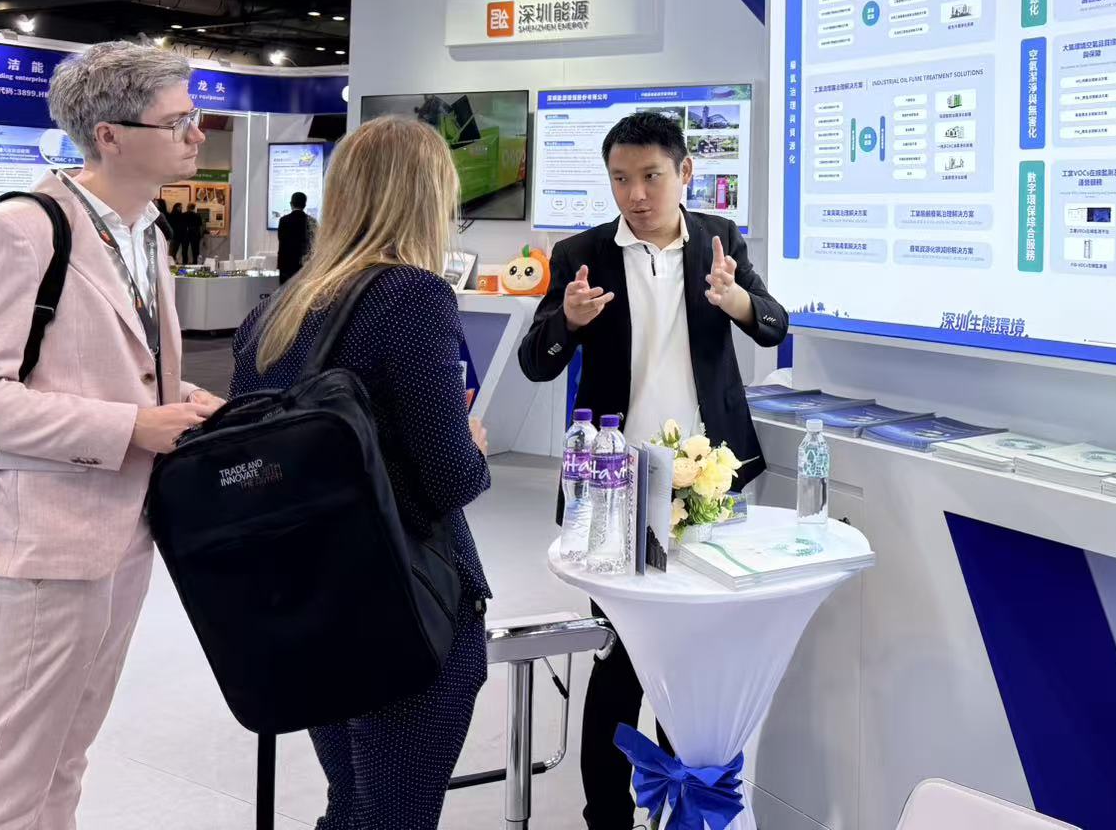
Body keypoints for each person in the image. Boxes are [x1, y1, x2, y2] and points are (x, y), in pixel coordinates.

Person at [517, 110, 788, 830]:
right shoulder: (581, 253)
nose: (635, 194)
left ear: (684, 173)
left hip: (708, 481)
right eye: (620, 179)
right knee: (620, 659)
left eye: (651, 176)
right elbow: (535, 362)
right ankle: (605, 815)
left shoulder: (719, 240)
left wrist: (735, 300)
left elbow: (774, 323)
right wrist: (569, 322)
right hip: (613, 487)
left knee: (694, 661)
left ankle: (683, 811)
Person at [0, 40, 225, 828]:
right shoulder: (24, 229)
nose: (197, 134)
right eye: (178, 121)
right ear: (110, 135)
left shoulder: (145, 232)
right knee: (11, 768)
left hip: (128, 530)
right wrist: (131, 426)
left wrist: (181, 398)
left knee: (67, 753)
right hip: (45, 540)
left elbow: (106, 366)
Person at [231, 116, 492, 830]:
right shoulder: (412, 296)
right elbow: (448, 479)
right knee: (392, 815)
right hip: (405, 608)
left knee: (350, 802)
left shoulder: (275, 312)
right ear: (428, 199)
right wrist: (473, 444)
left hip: (311, 602)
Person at [276, 190, 312, 285]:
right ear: (304, 205)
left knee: (285, 292)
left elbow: (281, 240)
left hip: (286, 266)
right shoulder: (312, 221)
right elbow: (313, 245)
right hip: (305, 266)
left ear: (291, 204)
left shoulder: (283, 220)